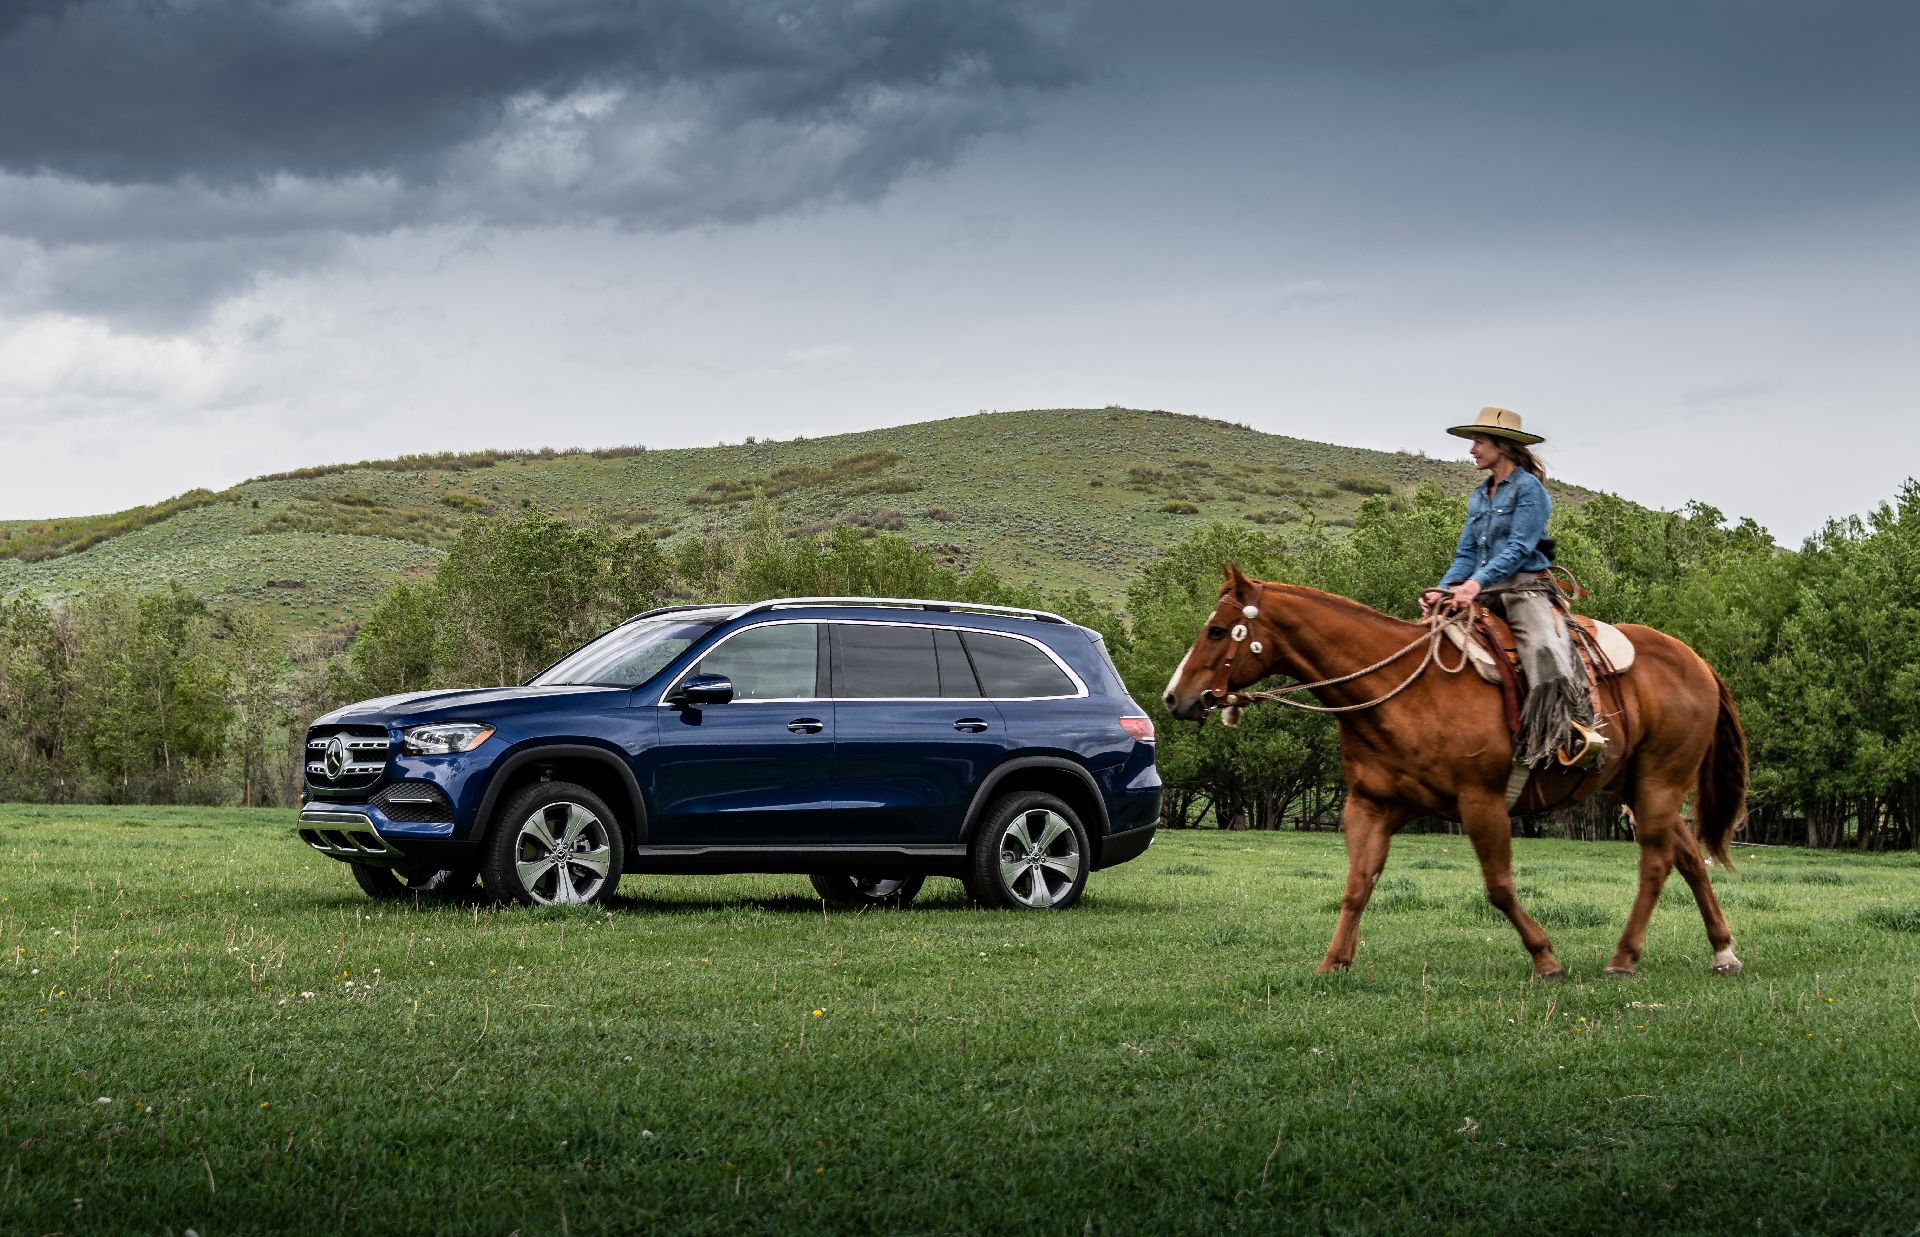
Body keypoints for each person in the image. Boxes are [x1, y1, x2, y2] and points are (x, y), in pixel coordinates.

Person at [1419, 406, 1598, 769]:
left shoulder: (1529, 490)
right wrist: (1445, 589)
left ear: (1501, 446)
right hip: (1480, 588)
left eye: (1479, 442)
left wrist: (1474, 583)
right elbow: (1467, 552)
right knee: (1426, 639)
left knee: (1545, 649)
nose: (1472, 450)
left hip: (1523, 589)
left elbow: (1519, 548)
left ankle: (1568, 735)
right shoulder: (1478, 495)